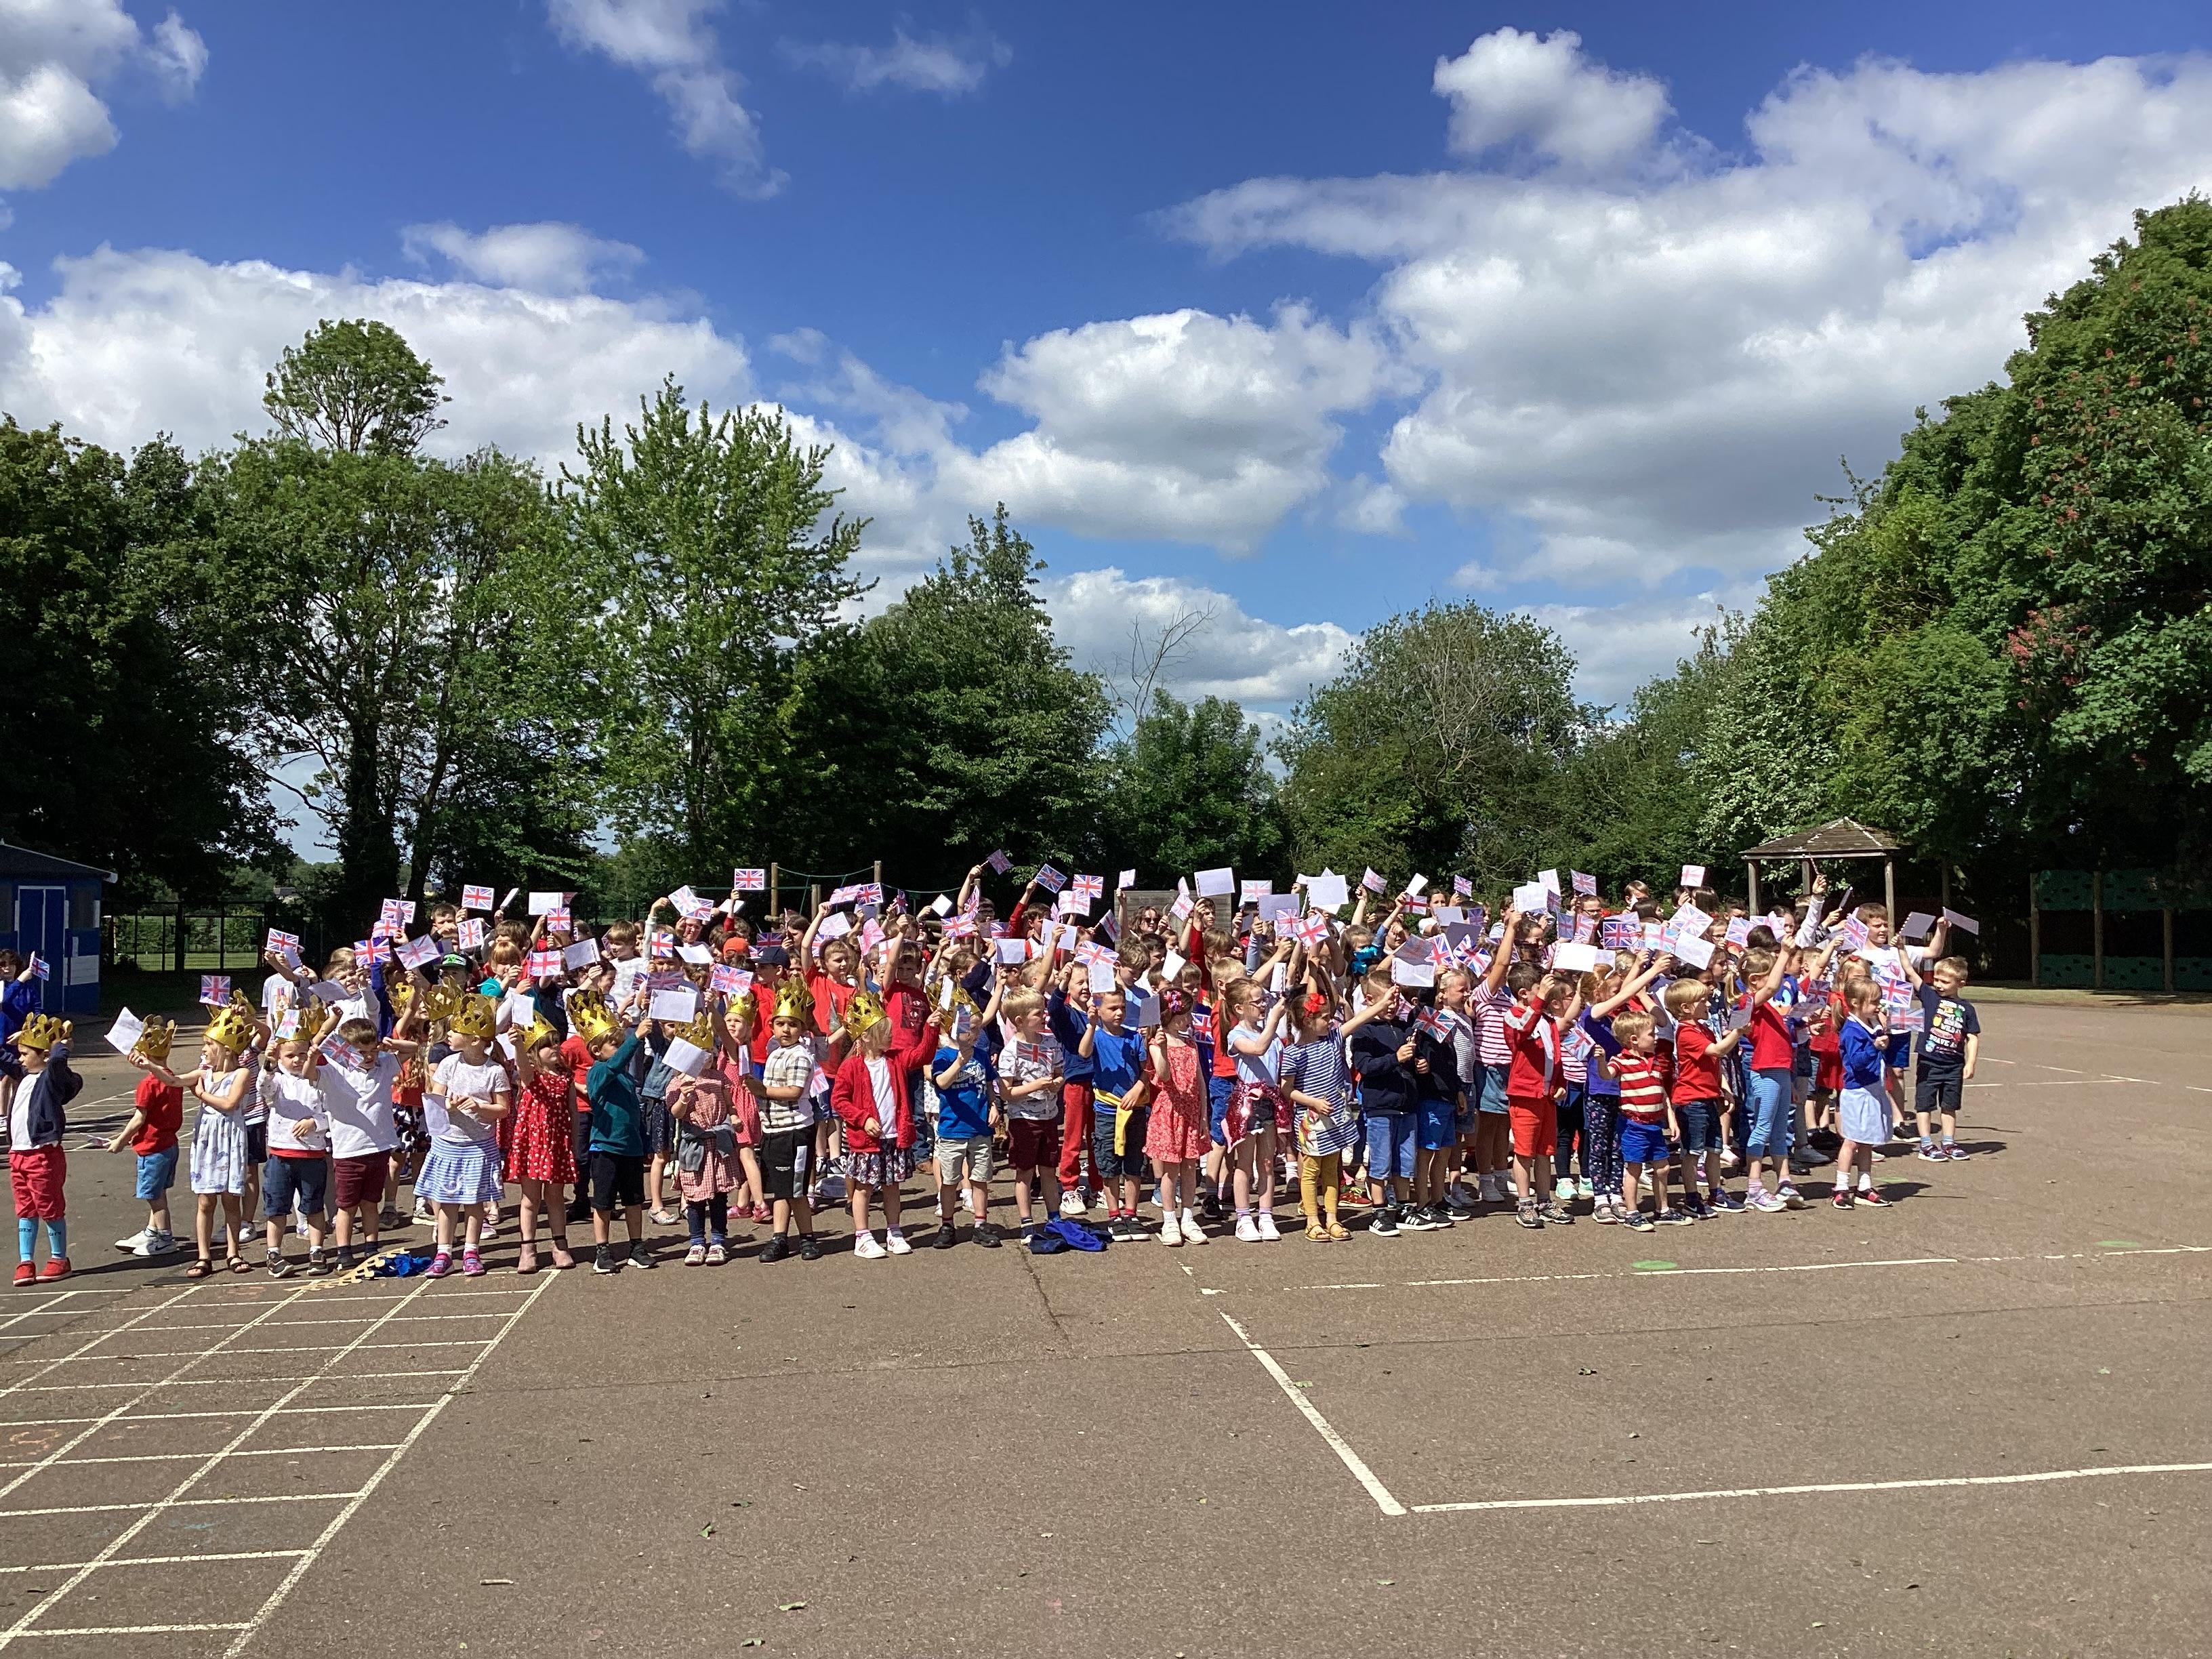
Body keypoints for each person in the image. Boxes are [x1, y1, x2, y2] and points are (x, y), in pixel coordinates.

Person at [829, 991, 940, 1259]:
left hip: (893, 1136)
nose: (892, 1036)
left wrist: (931, 1029)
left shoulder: (896, 1060)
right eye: (885, 1032)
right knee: (864, 1187)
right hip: (867, 1140)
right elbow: (839, 1100)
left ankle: (894, 1231)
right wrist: (863, 1119)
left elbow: (922, 1054)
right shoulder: (851, 1067)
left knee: (892, 1186)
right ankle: (862, 1236)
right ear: (866, 1036)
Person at [418, 996, 511, 1278]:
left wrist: (480, 1106)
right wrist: (450, 1103)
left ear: (474, 1039)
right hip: (448, 1142)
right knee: (445, 1202)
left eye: (456, 1031)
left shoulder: (494, 1070)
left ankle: (471, 1250)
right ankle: (444, 1252)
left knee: (474, 1201)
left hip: (478, 1146)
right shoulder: (448, 1063)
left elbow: (503, 1110)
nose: (449, 1034)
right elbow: (435, 1098)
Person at [577, 991, 654, 1274]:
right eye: (613, 1043)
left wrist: (644, 1141)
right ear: (596, 1050)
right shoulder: (598, 1070)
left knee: (634, 1200)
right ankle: (603, 1249)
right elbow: (610, 1069)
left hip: (631, 1147)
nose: (618, 1046)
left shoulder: (623, 1074)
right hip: (605, 1147)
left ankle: (636, 1245)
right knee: (604, 1201)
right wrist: (634, 1039)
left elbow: (633, 1111)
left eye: (619, 1042)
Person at [929, 979, 1004, 1248]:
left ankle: (981, 1223)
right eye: (967, 1030)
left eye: (975, 1029)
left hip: (979, 1128)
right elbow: (942, 1082)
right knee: (950, 1180)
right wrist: (960, 1059)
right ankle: (948, 1224)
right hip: (953, 1128)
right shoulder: (944, 1056)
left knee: (980, 1178)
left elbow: (987, 1085)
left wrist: (995, 1106)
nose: (972, 1035)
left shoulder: (981, 1056)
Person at [185, 1003, 258, 1277]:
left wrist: (202, 1095)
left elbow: (229, 1103)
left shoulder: (242, 1073)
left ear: (226, 1049)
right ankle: (203, 1256)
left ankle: (233, 1252)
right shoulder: (204, 1072)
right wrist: (152, 1063)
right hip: (207, 1140)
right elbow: (174, 1080)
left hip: (229, 1139)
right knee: (205, 1201)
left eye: (208, 1044)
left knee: (230, 1201)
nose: (203, 1050)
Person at [5, 1015, 78, 1284]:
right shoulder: (24, 1076)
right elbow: (6, 1060)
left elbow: (58, 1062)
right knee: (25, 1208)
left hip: (42, 1154)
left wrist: (61, 1045)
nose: (21, 1058)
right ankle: (26, 1261)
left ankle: (60, 1258)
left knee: (49, 1206)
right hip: (18, 1155)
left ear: (44, 1055)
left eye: (25, 1054)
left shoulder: (50, 1079)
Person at [754, 983, 823, 1263]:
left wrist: (763, 1091)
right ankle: (780, 1237)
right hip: (774, 1129)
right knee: (781, 1188)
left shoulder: (800, 1056)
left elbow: (794, 1091)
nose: (785, 1030)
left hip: (795, 1130)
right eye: (780, 1023)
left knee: (796, 1189)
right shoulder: (773, 1051)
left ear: (802, 1027)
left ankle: (807, 1237)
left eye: (792, 1024)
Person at [1664, 977, 1743, 1218]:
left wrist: (1725, 1088)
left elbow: (1715, 1064)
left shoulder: (1704, 1029)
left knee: (1714, 1149)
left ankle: (1715, 1192)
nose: (1708, 1004)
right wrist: (1739, 1031)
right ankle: (1691, 1196)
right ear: (1686, 1007)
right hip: (1691, 1100)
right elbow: (1717, 1051)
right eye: (1703, 1001)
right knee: (1692, 1152)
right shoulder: (1687, 1032)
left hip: (1709, 1097)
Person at [1222, 974, 1293, 1242]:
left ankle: (1266, 1215)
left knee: (1266, 1162)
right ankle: (1243, 1218)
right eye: (1257, 1002)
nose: (1263, 1006)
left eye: (1264, 1001)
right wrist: (1274, 1019)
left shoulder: (1273, 1035)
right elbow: (1258, 1049)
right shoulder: (1236, 1034)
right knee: (1245, 1163)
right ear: (1239, 1008)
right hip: (1247, 1103)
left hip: (1270, 1101)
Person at [668, 1011, 741, 1265]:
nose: (707, 1056)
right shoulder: (678, 1082)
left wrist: (733, 1117)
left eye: (710, 1051)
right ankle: (697, 1241)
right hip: (695, 1144)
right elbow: (676, 1113)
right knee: (695, 1197)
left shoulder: (719, 1078)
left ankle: (719, 1240)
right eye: (701, 1052)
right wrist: (683, 1098)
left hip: (717, 1142)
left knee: (719, 1196)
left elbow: (730, 1104)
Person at [258, 1030, 333, 1277]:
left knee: (314, 1205)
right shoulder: (278, 1080)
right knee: (276, 1207)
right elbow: (264, 1088)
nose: (298, 1060)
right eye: (290, 1055)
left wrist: (315, 1122)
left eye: (302, 1054)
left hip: (312, 1155)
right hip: (282, 1154)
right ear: (280, 1057)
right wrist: (268, 1066)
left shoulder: (319, 1081)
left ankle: (316, 1249)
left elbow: (333, 1114)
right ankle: (274, 1253)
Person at [507, 1015, 579, 1272]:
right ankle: (527, 1248)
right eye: (548, 1045)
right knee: (530, 1199)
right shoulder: (531, 1075)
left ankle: (560, 1245)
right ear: (535, 1052)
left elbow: (572, 1109)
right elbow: (523, 1069)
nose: (556, 1048)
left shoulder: (565, 1076)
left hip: (558, 1143)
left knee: (556, 1196)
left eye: (557, 1043)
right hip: (533, 1144)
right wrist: (517, 1045)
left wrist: (574, 1139)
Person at [107, 1017, 184, 1257]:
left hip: (153, 1147)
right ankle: (153, 1232)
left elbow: (139, 1118)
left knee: (155, 1197)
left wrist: (120, 1140)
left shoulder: (148, 1084)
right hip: (169, 1144)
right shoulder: (172, 1078)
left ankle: (165, 1238)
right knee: (160, 1190)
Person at [1080, 985, 1151, 1242]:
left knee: (1134, 1161)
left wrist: (1138, 1088)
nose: (1119, 1012)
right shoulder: (1097, 1036)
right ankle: (1114, 1214)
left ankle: (1131, 1213)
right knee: (1108, 1162)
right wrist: (1091, 1025)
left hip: (1135, 1108)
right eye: (1113, 1008)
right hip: (1107, 1108)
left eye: (1122, 1007)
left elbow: (1147, 1069)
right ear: (1099, 1010)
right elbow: (1084, 1052)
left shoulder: (1134, 1037)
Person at [1605, 1010, 1687, 1234]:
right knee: (1633, 1168)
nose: (1656, 1037)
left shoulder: (1656, 1062)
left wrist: (1672, 1120)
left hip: (1655, 1125)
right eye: (1651, 1034)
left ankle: (1663, 1210)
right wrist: (1598, 1061)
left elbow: (1663, 1095)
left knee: (1663, 1168)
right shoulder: (1620, 1061)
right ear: (1634, 1039)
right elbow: (1606, 1075)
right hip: (1633, 1125)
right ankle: (1631, 1212)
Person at [996, 989, 1066, 1243]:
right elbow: (1006, 1092)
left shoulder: (1050, 1042)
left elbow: (1059, 1072)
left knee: (1049, 1169)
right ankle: (1026, 1221)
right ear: (1020, 1021)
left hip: (1049, 1117)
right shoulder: (1011, 1051)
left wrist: (1057, 1082)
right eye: (1038, 1013)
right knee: (1024, 1172)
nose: (1045, 1016)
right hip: (1024, 1119)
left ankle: (1054, 1217)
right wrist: (1036, 1085)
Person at [1143, 989, 1210, 1246]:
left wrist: (1204, 1115)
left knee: (1191, 1167)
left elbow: (1200, 1082)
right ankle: (1169, 1219)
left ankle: (1188, 1217)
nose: (1188, 1019)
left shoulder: (1191, 1043)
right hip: (1170, 1111)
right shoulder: (1156, 1043)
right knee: (1170, 1170)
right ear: (1169, 1015)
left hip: (1192, 1113)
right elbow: (1164, 1076)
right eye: (1183, 1014)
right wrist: (1160, 1048)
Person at [1902, 954, 1980, 1160]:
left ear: (1960, 984)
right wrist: (1901, 949)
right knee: (1924, 1104)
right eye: (1936, 980)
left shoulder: (1967, 1009)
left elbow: (1972, 1037)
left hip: (1954, 1065)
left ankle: (1949, 1142)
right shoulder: (1930, 997)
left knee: (1950, 1105)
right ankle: (1926, 1144)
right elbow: (1910, 972)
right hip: (1929, 1062)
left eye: (1945, 982)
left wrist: (1970, 1063)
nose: (1939, 985)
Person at [1833, 980, 1902, 1206]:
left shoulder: (1871, 1023)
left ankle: (1864, 1186)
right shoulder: (1852, 1030)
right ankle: (1841, 1187)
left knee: (1867, 1141)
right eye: (1873, 1002)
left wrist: (1883, 1032)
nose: (1877, 1006)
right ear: (1855, 1003)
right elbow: (1855, 1061)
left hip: (1874, 1088)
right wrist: (1874, 1046)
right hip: (1858, 1092)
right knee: (1852, 1140)